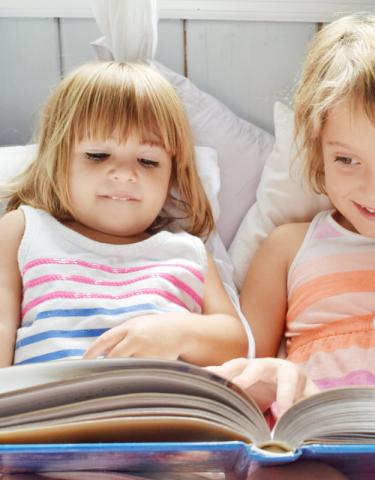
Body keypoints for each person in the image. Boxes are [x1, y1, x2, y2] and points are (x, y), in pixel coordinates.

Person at [211, 15, 375, 478]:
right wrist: (268, 380)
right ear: (319, 150)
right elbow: (246, 364)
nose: (374, 190)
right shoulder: (289, 247)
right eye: (347, 160)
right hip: (324, 451)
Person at [0, 61, 248, 368]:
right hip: (54, 412)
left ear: (172, 175)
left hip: (159, 410)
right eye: (97, 155)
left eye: (147, 161)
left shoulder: (187, 251)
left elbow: (235, 343)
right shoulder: (25, 231)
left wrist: (178, 333)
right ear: (57, 158)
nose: (124, 174)